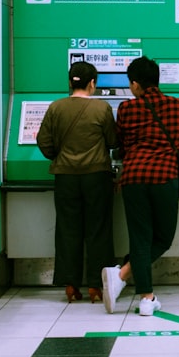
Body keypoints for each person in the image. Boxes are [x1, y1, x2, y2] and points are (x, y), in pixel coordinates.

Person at [101, 56, 179, 316]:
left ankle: (131, 283)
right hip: (165, 178)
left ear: (135, 84)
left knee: (140, 238)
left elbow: (121, 147)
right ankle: (140, 292)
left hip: (133, 178)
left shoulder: (126, 108)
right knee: (163, 238)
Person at [37, 61, 118, 303]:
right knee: (98, 231)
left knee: (67, 230)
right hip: (96, 177)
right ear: (92, 83)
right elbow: (113, 141)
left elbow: (44, 142)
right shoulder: (102, 109)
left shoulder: (56, 108)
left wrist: (59, 156)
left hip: (65, 178)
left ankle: (71, 285)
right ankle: (96, 286)